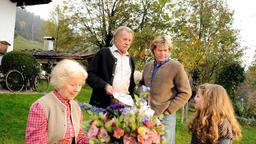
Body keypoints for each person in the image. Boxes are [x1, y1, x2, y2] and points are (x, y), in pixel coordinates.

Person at [139, 35, 192, 144]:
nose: (163, 54)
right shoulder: (148, 66)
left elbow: (186, 92)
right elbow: (141, 84)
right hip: (146, 114)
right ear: (153, 50)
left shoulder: (176, 67)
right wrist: (142, 97)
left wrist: (169, 110)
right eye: (159, 50)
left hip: (165, 117)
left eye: (166, 50)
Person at [26, 59, 89, 144]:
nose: (77, 89)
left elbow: (79, 135)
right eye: (72, 85)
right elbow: (34, 142)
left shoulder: (76, 107)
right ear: (60, 83)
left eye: (80, 85)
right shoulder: (41, 107)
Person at [87, 26, 135, 108]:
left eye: (129, 40)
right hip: (103, 103)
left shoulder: (131, 59)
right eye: (124, 39)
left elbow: (131, 83)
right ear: (115, 39)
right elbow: (90, 75)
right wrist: (105, 86)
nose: (127, 43)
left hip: (124, 106)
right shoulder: (104, 53)